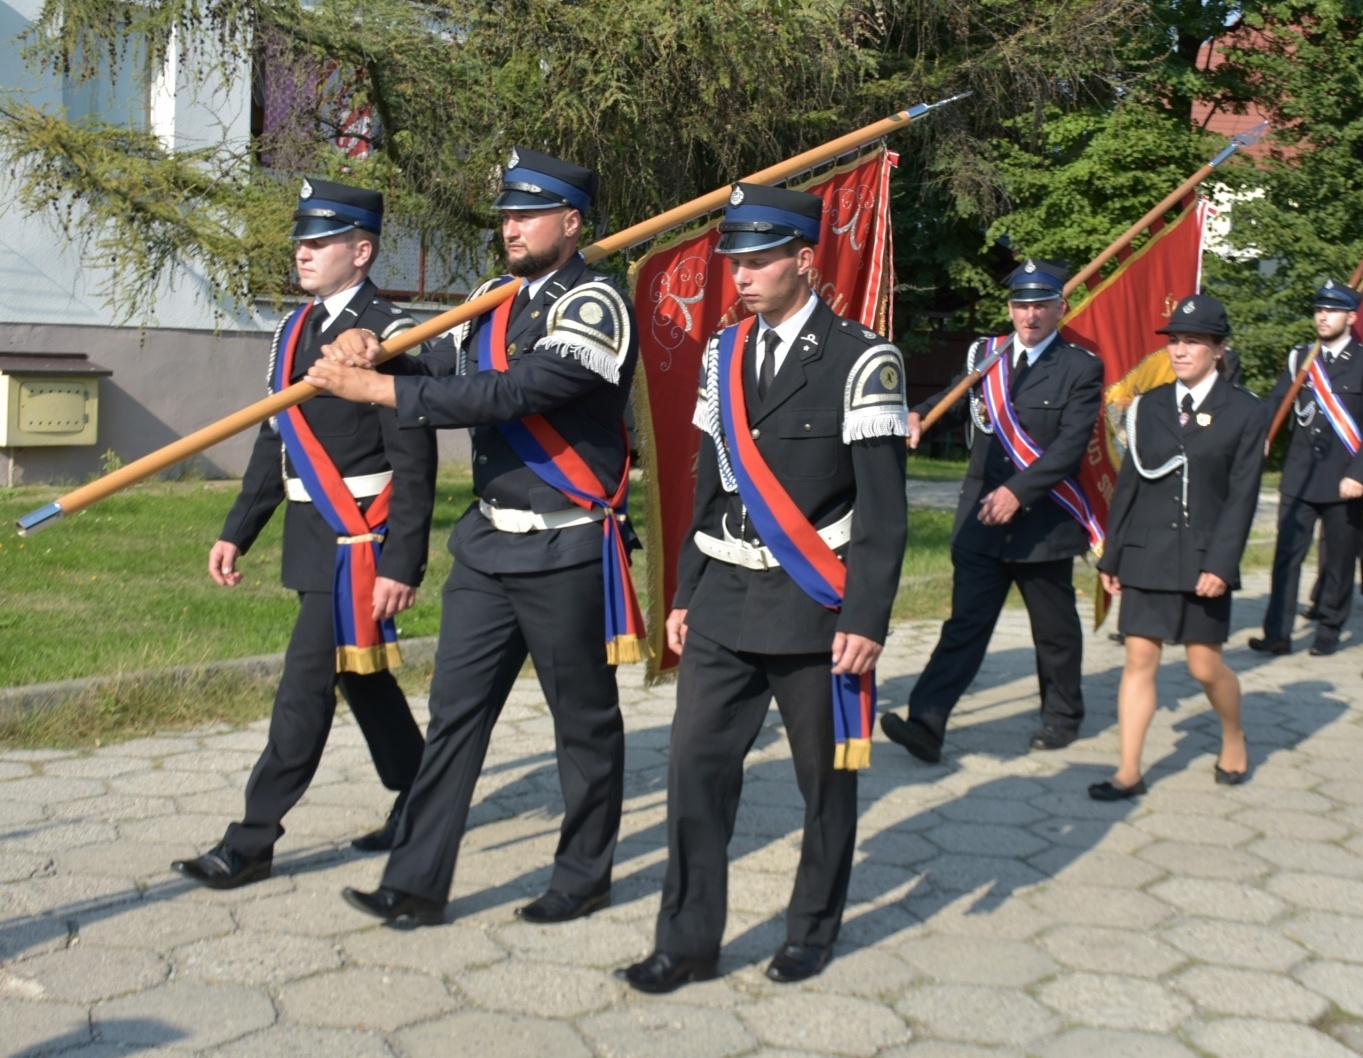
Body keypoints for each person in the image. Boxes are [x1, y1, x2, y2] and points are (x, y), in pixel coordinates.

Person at [309, 149, 638, 927]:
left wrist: (381, 387)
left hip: (565, 548)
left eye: (528, 214)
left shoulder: (596, 304)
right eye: (506, 215)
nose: (512, 227)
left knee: (582, 725)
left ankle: (584, 874)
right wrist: (372, 343)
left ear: (572, 221)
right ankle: (416, 883)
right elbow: (436, 357)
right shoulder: (495, 298)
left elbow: (514, 393)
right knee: (455, 718)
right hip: (488, 549)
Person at [618, 183, 908, 994]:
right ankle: (686, 941)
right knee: (694, 773)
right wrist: (684, 590)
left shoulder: (862, 358)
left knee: (826, 781)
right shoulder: (723, 353)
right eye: (734, 262)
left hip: (816, 608)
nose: (741, 275)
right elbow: (708, 482)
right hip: (721, 605)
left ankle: (810, 930)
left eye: (758, 260)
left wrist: (868, 617)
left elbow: (882, 510)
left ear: (803, 260)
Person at [173, 179, 437, 890]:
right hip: (309, 529)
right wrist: (240, 530)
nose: (303, 252)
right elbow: (276, 437)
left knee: (303, 687)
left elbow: (414, 460)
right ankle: (423, 797)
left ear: (362, 249)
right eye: (300, 241)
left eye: (320, 242)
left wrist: (403, 562)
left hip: (360, 541)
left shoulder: (387, 332)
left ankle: (252, 841)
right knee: (361, 677)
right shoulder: (295, 329)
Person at [877, 260, 1102, 762]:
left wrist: (1020, 492)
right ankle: (926, 725)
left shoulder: (1081, 367)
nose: (1031, 314)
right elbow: (956, 403)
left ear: (1060, 307)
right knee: (965, 626)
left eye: (1042, 304)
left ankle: (1062, 716)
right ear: (1010, 308)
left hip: (1043, 524)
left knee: (1055, 631)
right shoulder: (987, 356)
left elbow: (1069, 448)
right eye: (1022, 304)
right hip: (980, 523)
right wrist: (919, 416)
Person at [1091, 294, 1266, 800]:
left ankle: (1234, 735)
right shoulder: (1148, 406)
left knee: (1203, 665)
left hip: (1203, 556)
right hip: (1147, 550)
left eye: (1193, 341)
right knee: (1139, 659)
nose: (1180, 350)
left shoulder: (1245, 411)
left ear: (1218, 349)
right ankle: (1128, 770)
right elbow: (1130, 486)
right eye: (1175, 341)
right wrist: (1114, 554)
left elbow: (1242, 497)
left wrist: (1222, 563)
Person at [1250, 279, 1363, 658]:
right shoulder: (1301, 358)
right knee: (1286, 555)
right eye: (1319, 310)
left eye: (1332, 311)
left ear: (1351, 317)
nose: (1323, 317)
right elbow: (1275, 406)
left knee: (1339, 559)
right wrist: (1258, 439)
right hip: (1299, 474)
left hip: (1344, 478)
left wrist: (1360, 474)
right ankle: (1277, 631)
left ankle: (1329, 625)